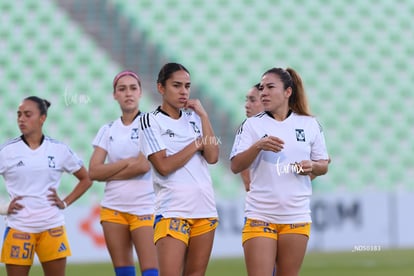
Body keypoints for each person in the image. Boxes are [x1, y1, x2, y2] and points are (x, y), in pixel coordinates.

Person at [230, 67, 330, 276]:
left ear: (288, 92)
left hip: (296, 217)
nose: (263, 92)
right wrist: (259, 146)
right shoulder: (251, 125)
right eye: (262, 88)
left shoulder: (309, 124)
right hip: (260, 215)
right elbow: (236, 165)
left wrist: (312, 167)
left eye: (270, 87)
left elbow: (323, 165)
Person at [139, 62, 219, 276]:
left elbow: (213, 156)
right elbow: (163, 166)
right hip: (173, 210)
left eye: (187, 86)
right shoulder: (150, 120)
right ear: (161, 88)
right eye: (176, 85)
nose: (183, 91)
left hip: (205, 209)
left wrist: (204, 116)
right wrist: (195, 144)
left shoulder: (195, 118)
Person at [0, 96, 92, 276]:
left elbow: (86, 179)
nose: (21, 119)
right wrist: (3, 208)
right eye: (19, 115)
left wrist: (64, 202)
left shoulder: (59, 149)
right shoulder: (7, 151)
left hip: (52, 227)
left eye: (27, 115)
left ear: (42, 118)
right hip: (19, 227)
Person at [89, 70, 158, 276]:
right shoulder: (107, 129)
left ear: (140, 93)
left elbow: (143, 166)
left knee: (151, 271)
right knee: (123, 272)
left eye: (132, 88)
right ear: (114, 95)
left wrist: (107, 173)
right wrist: (128, 162)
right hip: (113, 208)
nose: (128, 93)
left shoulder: (150, 124)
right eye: (122, 89)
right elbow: (93, 171)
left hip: (144, 206)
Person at [240, 83, 265, 192]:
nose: (246, 105)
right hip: (263, 203)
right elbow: (248, 184)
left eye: (252, 100)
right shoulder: (248, 131)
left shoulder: (286, 128)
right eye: (247, 100)